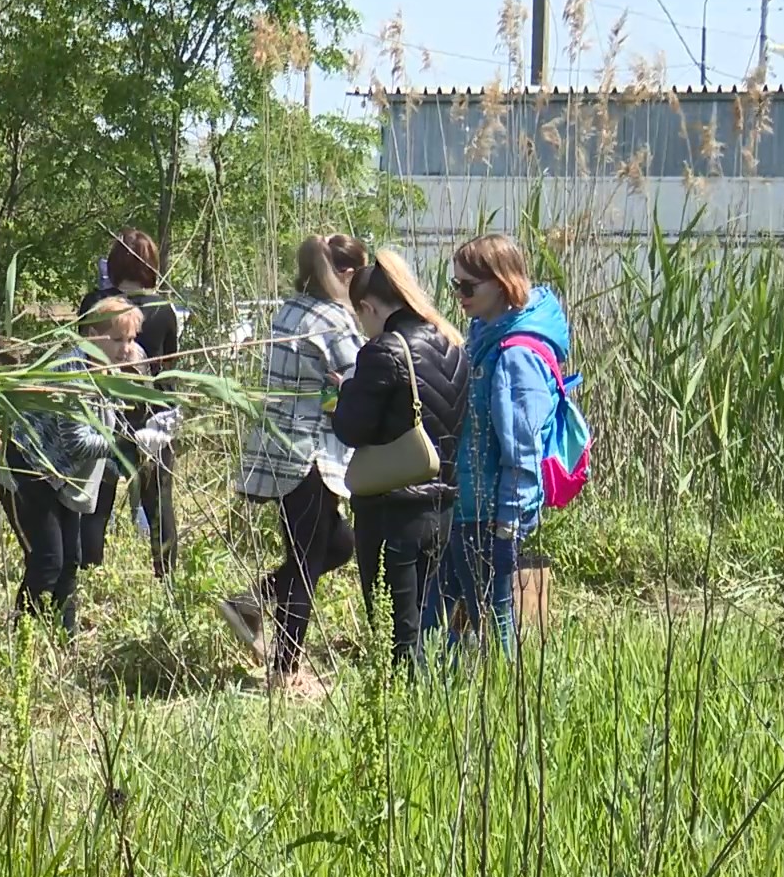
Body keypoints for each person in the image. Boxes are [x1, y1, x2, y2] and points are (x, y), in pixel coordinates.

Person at [226, 234, 368, 695]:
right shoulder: (333, 319)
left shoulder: (289, 310)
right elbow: (362, 378)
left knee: (337, 544)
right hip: (311, 453)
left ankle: (253, 599)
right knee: (306, 562)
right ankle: (286, 673)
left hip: (279, 448)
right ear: (344, 274)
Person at [331, 250, 468, 672]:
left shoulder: (383, 351)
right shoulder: (452, 341)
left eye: (361, 316)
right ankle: (432, 704)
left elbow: (351, 429)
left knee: (394, 633)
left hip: (392, 506)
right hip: (441, 503)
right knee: (426, 622)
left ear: (370, 307)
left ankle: (404, 715)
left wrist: (349, 389)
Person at [436, 233, 571, 656]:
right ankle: (449, 691)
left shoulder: (515, 356)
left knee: (493, 623)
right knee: (445, 617)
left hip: (489, 512)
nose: (459, 295)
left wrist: (508, 523)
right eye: (454, 284)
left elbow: (523, 448)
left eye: (468, 286)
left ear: (501, 282)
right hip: (467, 504)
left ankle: (501, 693)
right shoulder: (485, 335)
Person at [7, 298, 163, 635]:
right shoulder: (73, 371)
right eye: (119, 340)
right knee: (49, 560)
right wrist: (131, 446)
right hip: (33, 467)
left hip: (62, 474)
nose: (127, 349)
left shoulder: (103, 369)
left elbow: (107, 425)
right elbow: (77, 442)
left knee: (72, 559)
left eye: (132, 340)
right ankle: (22, 637)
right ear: (92, 335)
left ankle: (67, 636)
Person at [76, 229, 182, 578]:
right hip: (150, 419)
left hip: (104, 416)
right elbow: (168, 371)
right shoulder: (164, 310)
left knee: (97, 501)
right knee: (158, 501)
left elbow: (81, 361)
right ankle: (166, 574)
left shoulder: (94, 305)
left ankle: (88, 570)